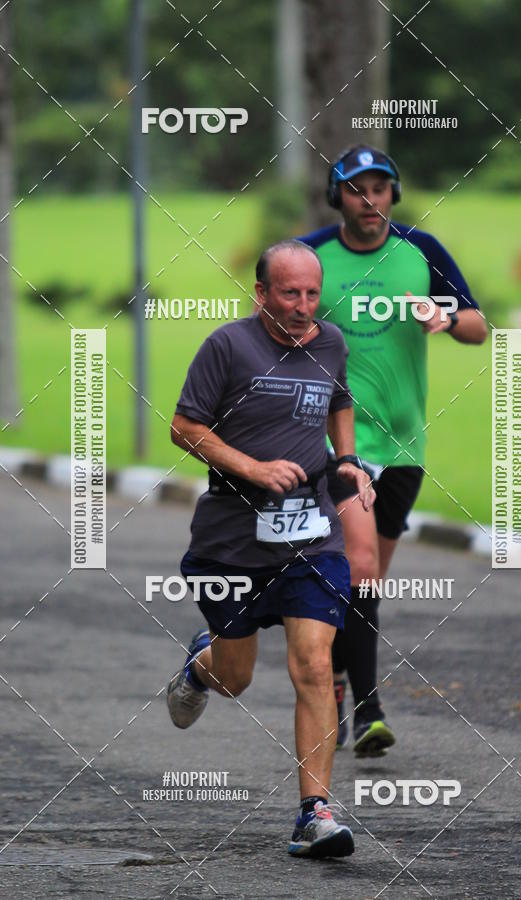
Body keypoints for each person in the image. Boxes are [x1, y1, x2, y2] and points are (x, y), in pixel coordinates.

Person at [166, 239, 375, 858]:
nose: (303, 305)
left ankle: (315, 815)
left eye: (312, 293)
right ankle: (200, 665)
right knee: (235, 678)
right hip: (231, 541)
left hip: (311, 532)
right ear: (262, 293)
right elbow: (183, 427)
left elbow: (339, 398)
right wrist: (253, 469)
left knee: (313, 664)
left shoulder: (331, 343)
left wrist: (346, 459)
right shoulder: (227, 347)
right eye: (290, 292)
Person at [299, 145, 488, 758]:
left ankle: (333, 673)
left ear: (392, 194)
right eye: (357, 189)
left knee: (365, 583)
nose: (370, 199)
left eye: (380, 188)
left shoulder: (421, 251)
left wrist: (445, 316)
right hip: (335, 443)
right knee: (358, 572)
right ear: (339, 197)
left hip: (404, 446)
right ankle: (367, 709)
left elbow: (478, 326)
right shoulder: (313, 256)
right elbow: (276, 322)